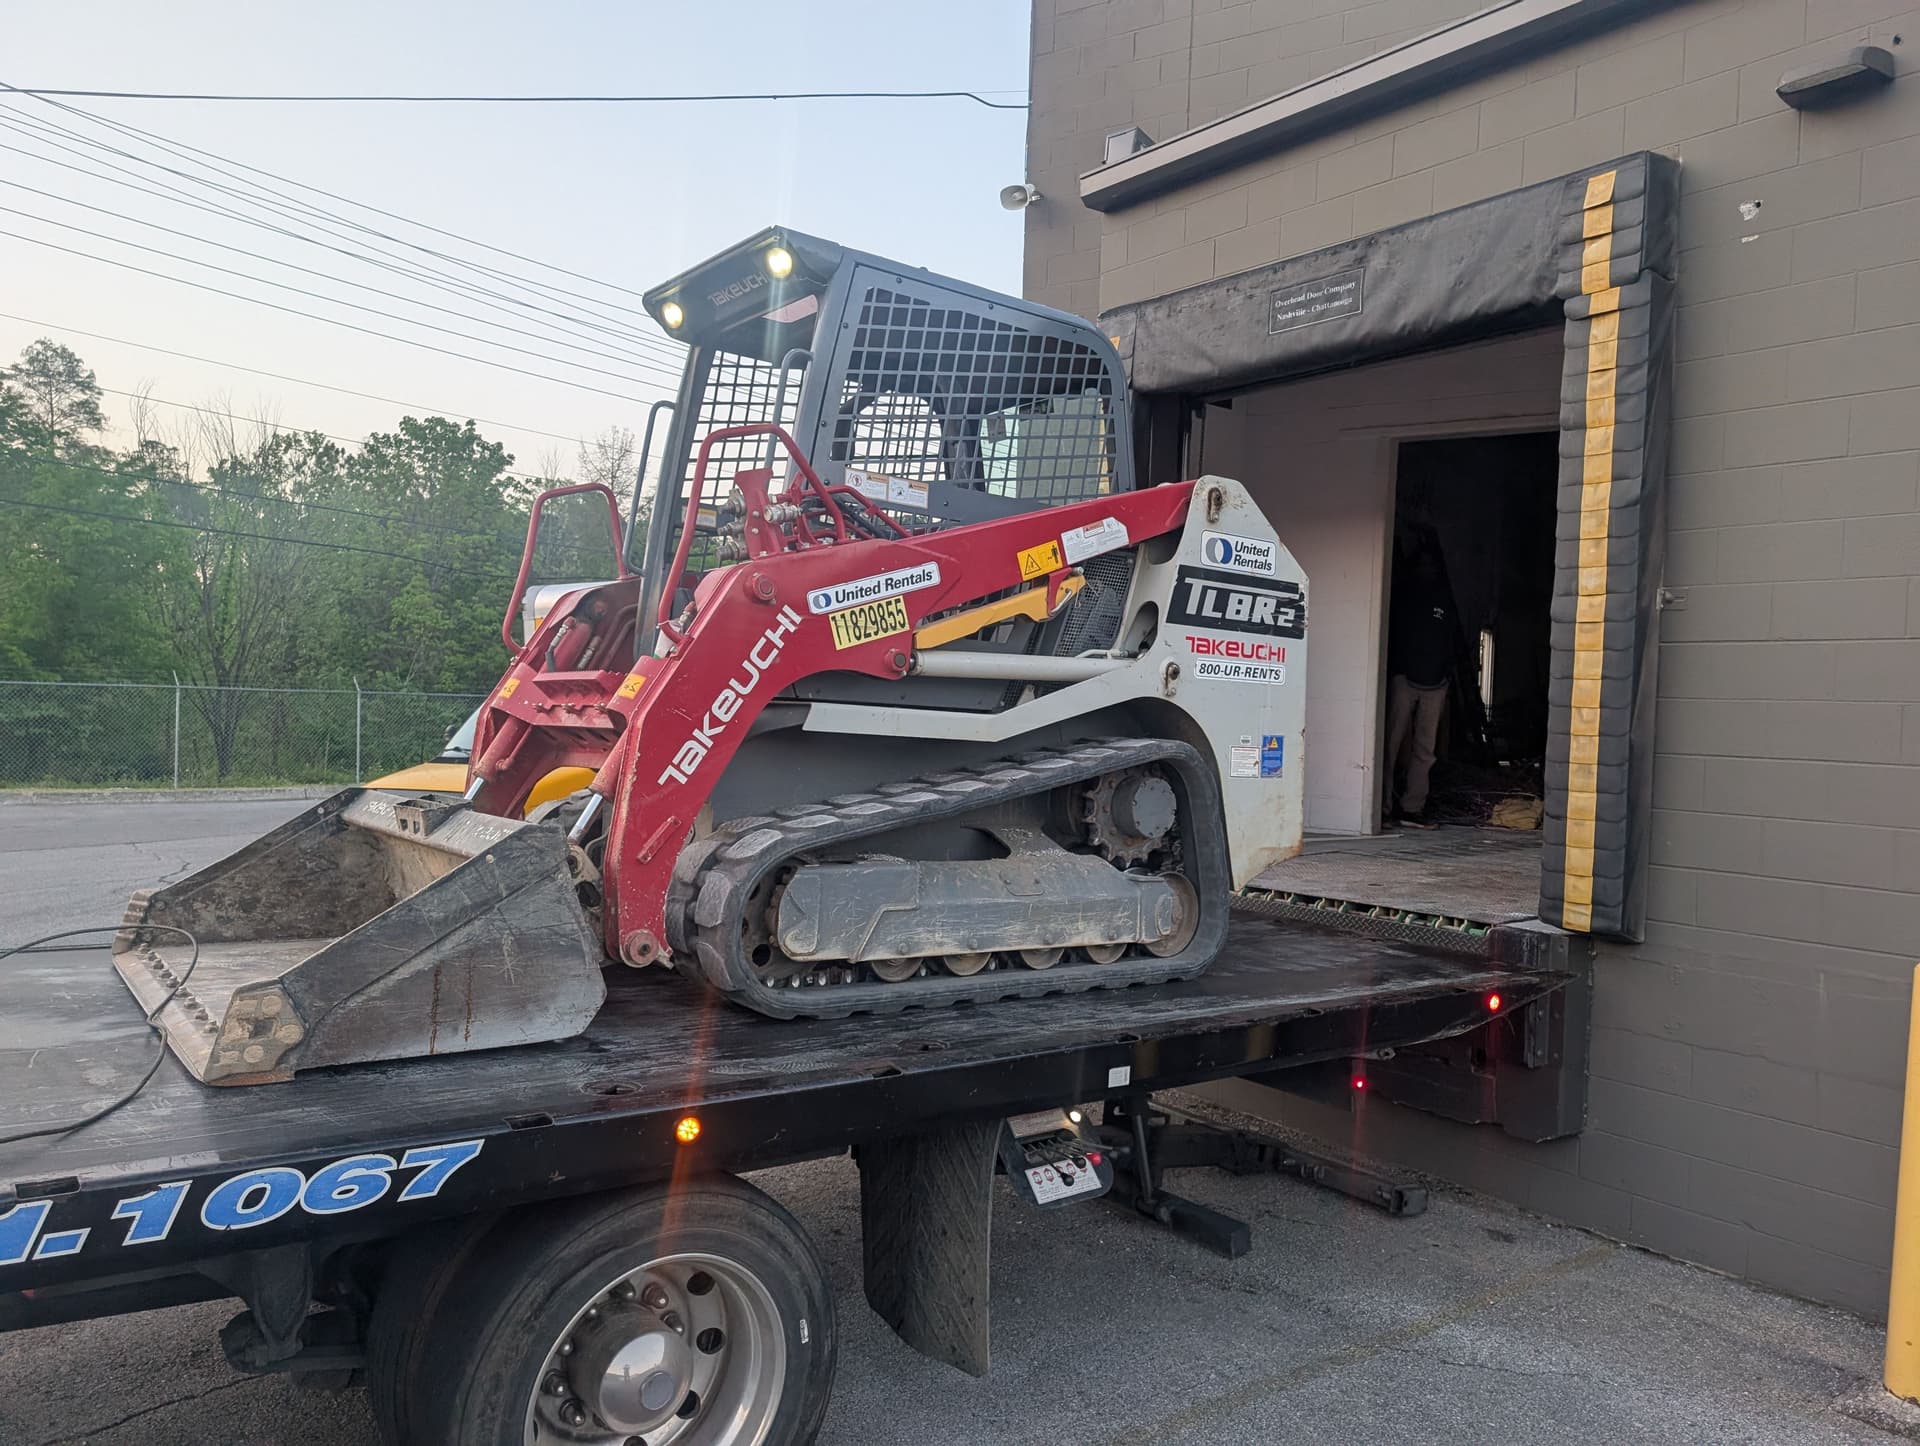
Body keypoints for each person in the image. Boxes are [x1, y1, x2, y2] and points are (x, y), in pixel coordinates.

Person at [1385, 537, 1453, 829]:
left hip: (1435, 684)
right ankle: (1382, 805)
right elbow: (1393, 635)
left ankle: (1413, 807)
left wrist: (1446, 676)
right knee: (1390, 744)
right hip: (1405, 680)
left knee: (1425, 750)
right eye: (1422, 564)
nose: (1427, 569)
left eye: (1431, 565)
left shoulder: (1444, 599)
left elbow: (1451, 641)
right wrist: (1398, 672)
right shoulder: (1403, 596)